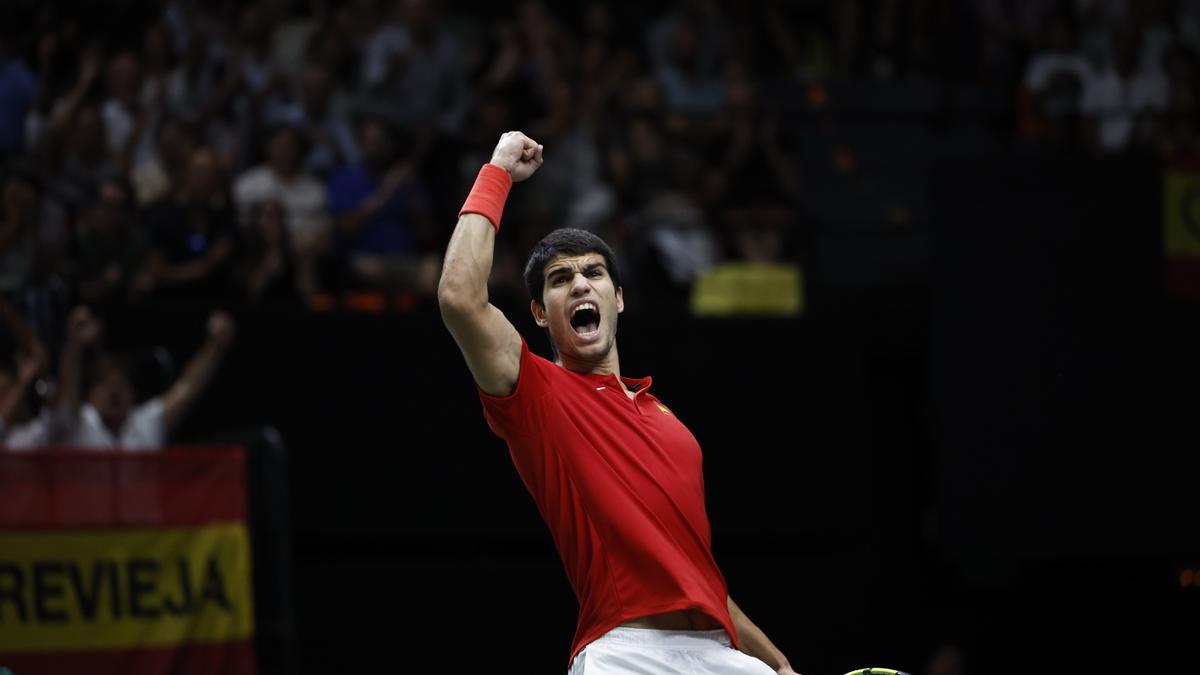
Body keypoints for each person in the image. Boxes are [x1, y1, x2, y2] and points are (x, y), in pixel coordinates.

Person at [437, 131, 798, 675]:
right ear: (539, 313)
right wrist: (497, 175)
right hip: (625, 652)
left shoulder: (671, 424)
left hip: (723, 657)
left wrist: (776, 663)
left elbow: (699, 580)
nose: (580, 284)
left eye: (594, 273)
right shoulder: (537, 393)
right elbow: (459, 298)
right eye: (561, 280)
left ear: (618, 298)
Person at [4, 306, 236, 450]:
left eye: (123, 385)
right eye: (105, 384)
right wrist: (74, 344)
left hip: (141, 529)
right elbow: (67, 394)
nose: (115, 390)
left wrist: (216, 346)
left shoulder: (146, 424)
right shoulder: (75, 424)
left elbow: (188, 387)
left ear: (134, 394)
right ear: (89, 395)